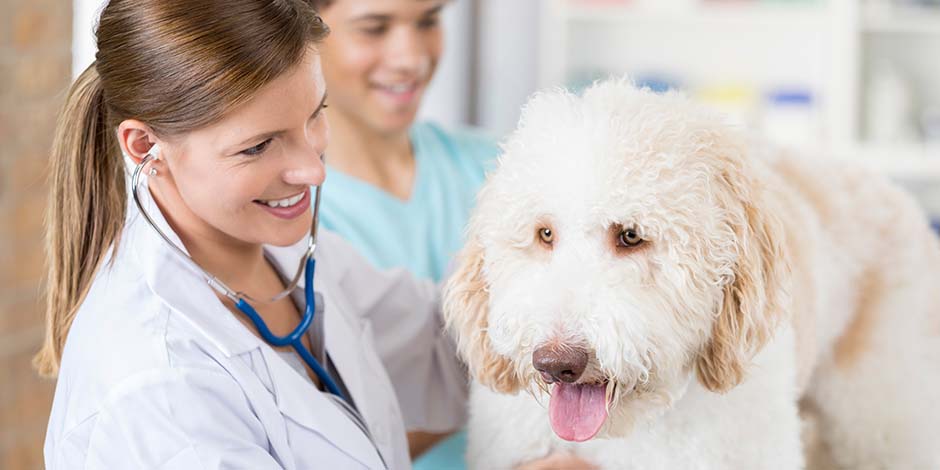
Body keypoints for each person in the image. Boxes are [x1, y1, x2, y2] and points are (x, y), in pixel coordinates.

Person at [38, 1, 594, 468]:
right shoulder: (155, 388)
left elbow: (447, 346)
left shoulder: (286, 255)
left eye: (314, 115)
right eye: (258, 146)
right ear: (143, 147)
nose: (313, 169)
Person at [310, 0, 497, 465]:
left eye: (428, 21)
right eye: (374, 28)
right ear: (302, 34)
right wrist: (495, 378)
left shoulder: (500, 163)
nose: (411, 57)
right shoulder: (290, 214)